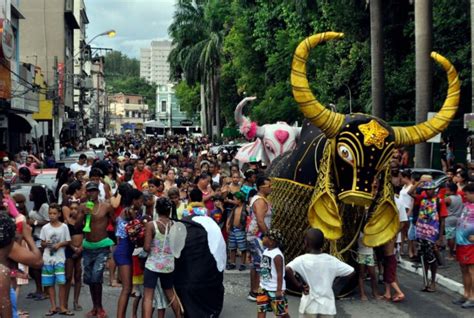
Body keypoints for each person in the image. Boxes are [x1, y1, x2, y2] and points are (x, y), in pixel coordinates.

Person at [285, 228, 354, 318]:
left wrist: (299, 285)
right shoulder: (331, 260)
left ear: (306, 243)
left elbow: (287, 269)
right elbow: (351, 271)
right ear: (323, 243)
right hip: (327, 306)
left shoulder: (301, 260)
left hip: (309, 306)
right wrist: (335, 288)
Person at [77, 182, 115, 318]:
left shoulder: (106, 207)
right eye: (89, 191)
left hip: (102, 246)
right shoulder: (82, 207)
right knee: (89, 278)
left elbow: (114, 222)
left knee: (96, 276)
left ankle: (100, 308)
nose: (91, 193)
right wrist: (83, 214)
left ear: (98, 192)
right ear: (86, 192)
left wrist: (115, 242)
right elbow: (76, 225)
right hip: (88, 247)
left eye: (94, 191)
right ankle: (95, 307)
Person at [142, 197, 183, 318]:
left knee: (148, 296)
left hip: (153, 265)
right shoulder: (175, 225)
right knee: (170, 293)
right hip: (168, 265)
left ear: (156, 209)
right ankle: (179, 316)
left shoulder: (151, 225)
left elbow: (146, 247)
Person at [114, 189, 144, 318]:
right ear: (134, 200)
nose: (142, 203)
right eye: (140, 200)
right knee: (126, 289)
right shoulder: (129, 212)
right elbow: (133, 234)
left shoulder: (130, 211)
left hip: (125, 250)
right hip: (124, 251)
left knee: (128, 288)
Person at [39, 203, 72, 316]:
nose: (52, 216)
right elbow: (42, 243)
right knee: (49, 283)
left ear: (59, 214)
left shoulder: (64, 227)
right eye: (50, 213)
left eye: (54, 213)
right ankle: (53, 306)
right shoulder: (45, 228)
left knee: (61, 282)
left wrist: (60, 244)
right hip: (48, 259)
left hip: (59, 259)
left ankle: (62, 306)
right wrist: (45, 243)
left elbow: (68, 241)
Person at [415, 181, 447, 292]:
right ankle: (425, 281)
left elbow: (442, 221)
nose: (429, 191)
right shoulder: (422, 200)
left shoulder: (439, 201)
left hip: (433, 234)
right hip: (421, 232)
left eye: (431, 189)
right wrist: (419, 183)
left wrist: (440, 237)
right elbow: (410, 193)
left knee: (432, 258)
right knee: (423, 258)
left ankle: (433, 282)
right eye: (427, 189)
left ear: (435, 189)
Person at [247, 177, 273, 301]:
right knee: (261, 264)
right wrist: (267, 235)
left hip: (256, 235)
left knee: (256, 263)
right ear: (261, 187)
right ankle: (258, 292)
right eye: (269, 186)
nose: (271, 188)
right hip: (258, 235)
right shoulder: (260, 201)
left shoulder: (260, 199)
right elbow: (260, 220)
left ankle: (255, 291)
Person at [256, 229, 288, 318]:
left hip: (274, 289)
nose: (263, 238)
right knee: (261, 309)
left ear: (271, 241)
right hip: (263, 288)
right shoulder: (266, 251)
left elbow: (280, 274)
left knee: (281, 313)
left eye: (265, 237)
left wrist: (279, 290)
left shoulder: (277, 255)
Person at [452, 183, 474, 308]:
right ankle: (466, 294)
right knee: (464, 269)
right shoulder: (467, 205)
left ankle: (472, 296)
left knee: (471, 270)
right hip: (461, 242)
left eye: (466, 194)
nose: (464, 196)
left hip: (470, 244)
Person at [63, 200, 83, 312]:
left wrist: (80, 248)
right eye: (72, 208)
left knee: (78, 275)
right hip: (70, 250)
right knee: (68, 276)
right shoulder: (66, 223)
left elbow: (86, 235)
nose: (74, 211)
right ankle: (64, 302)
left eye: (76, 208)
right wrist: (74, 248)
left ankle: (76, 301)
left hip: (81, 250)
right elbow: (66, 238)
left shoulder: (83, 221)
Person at [226, 191, 248, 271]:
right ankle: (232, 263)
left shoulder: (246, 208)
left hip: (241, 230)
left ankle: (242, 264)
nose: (233, 201)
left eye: (235, 199)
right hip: (233, 229)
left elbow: (248, 218)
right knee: (232, 247)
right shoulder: (235, 207)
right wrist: (227, 224)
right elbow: (230, 216)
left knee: (243, 248)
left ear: (240, 200)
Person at [357, 232, 381, 300]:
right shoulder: (358, 231)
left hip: (370, 254)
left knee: (373, 275)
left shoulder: (371, 230)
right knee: (362, 274)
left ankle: (375, 293)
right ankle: (362, 294)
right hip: (361, 254)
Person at [444, 182, 464, 260]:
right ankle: (456, 253)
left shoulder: (448, 199)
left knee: (450, 237)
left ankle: (450, 254)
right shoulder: (459, 196)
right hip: (458, 218)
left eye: (447, 189)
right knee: (456, 236)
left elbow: (441, 204)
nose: (446, 191)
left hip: (449, 219)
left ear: (451, 190)